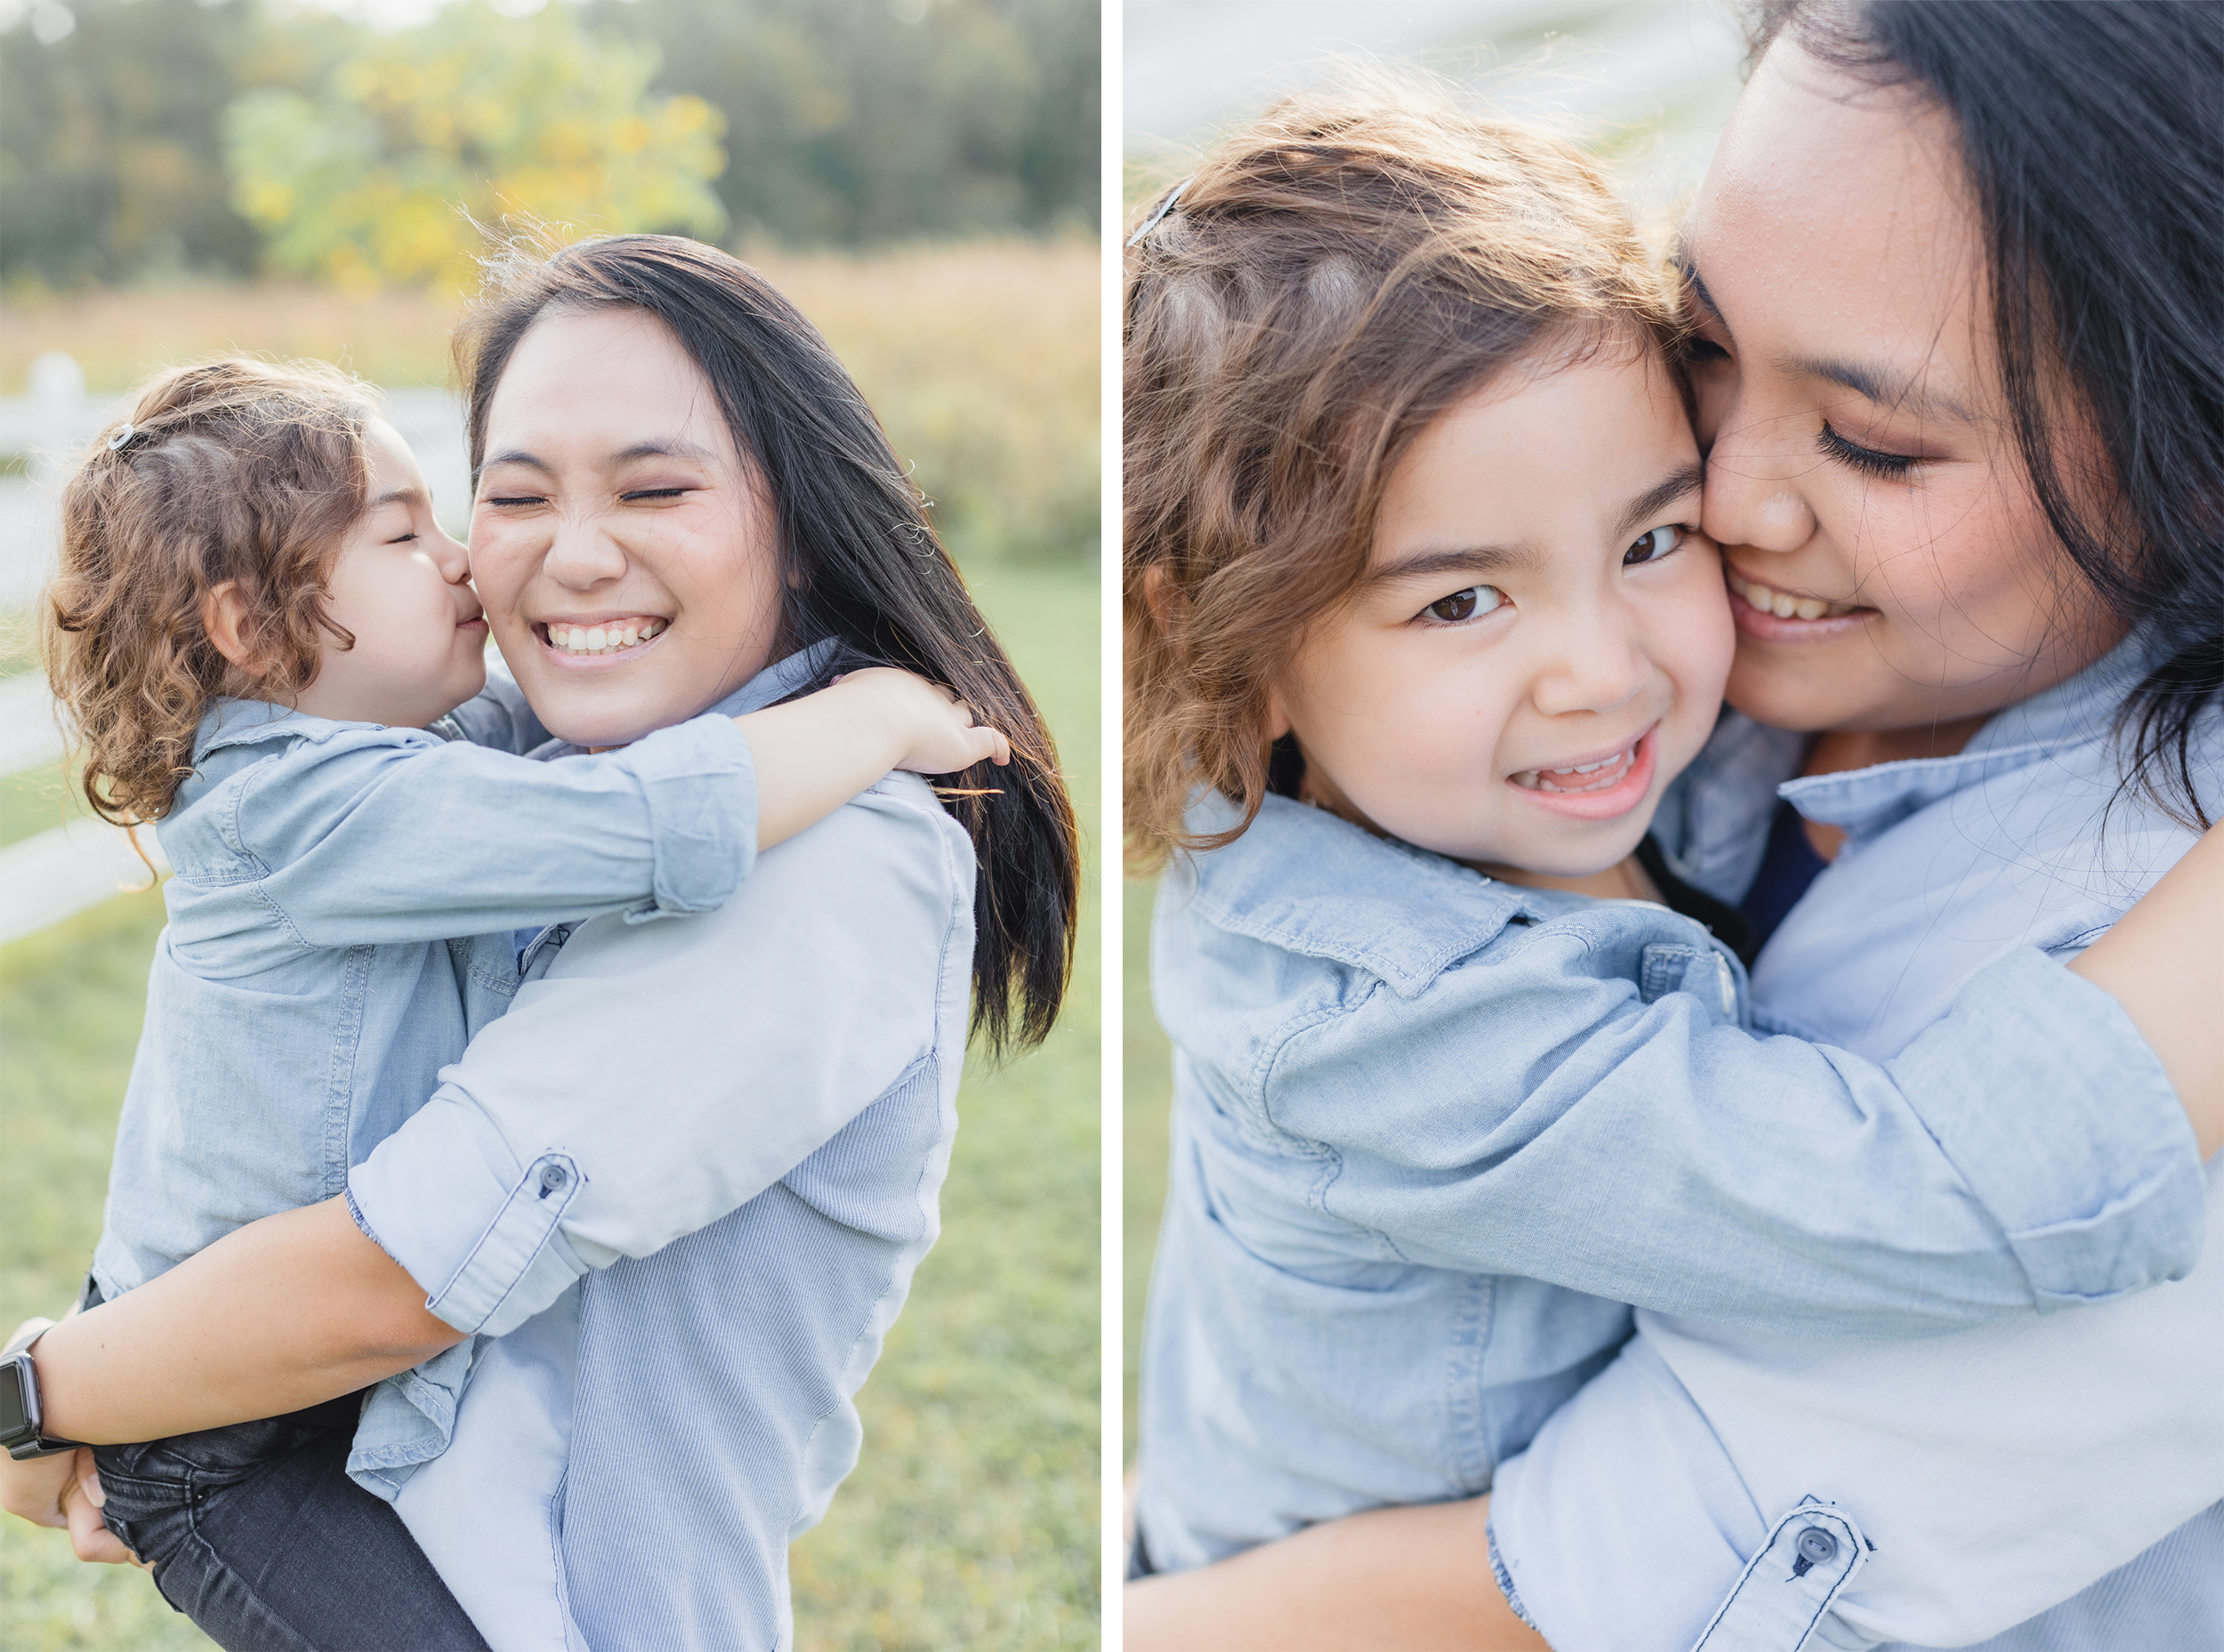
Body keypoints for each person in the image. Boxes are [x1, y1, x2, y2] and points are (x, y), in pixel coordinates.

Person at [1123, 4, 2224, 1648]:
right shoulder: (1394, 984)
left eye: (1874, 440)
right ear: (1237, 642)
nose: (1722, 501)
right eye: (1704, 348)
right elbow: (1932, 1196)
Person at [2, 234, 1080, 1651]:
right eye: (504, 497)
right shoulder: (476, 778)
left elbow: (393, 1279)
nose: (545, 556)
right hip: (309, 1475)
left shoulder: (830, 855)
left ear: (804, 515)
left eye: (655, 486)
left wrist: (46, 1392)